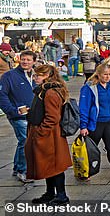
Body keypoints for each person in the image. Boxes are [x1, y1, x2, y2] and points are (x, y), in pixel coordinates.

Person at [25, 64, 72, 205]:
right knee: (48, 166)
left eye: (38, 75)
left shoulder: (50, 92)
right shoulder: (46, 90)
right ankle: (51, 193)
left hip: (50, 136)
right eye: (35, 75)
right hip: (48, 135)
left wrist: (40, 132)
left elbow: (52, 117)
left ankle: (61, 196)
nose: (35, 77)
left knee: (54, 166)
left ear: (47, 76)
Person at [0, 50, 37, 183]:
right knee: (26, 141)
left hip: (33, 115)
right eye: (23, 59)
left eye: (28, 60)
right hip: (18, 116)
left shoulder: (35, 75)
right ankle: (23, 171)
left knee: (23, 141)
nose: (25, 62)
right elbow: (2, 95)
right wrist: (12, 111)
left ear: (33, 61)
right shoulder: (9, 76)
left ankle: (17, 167)